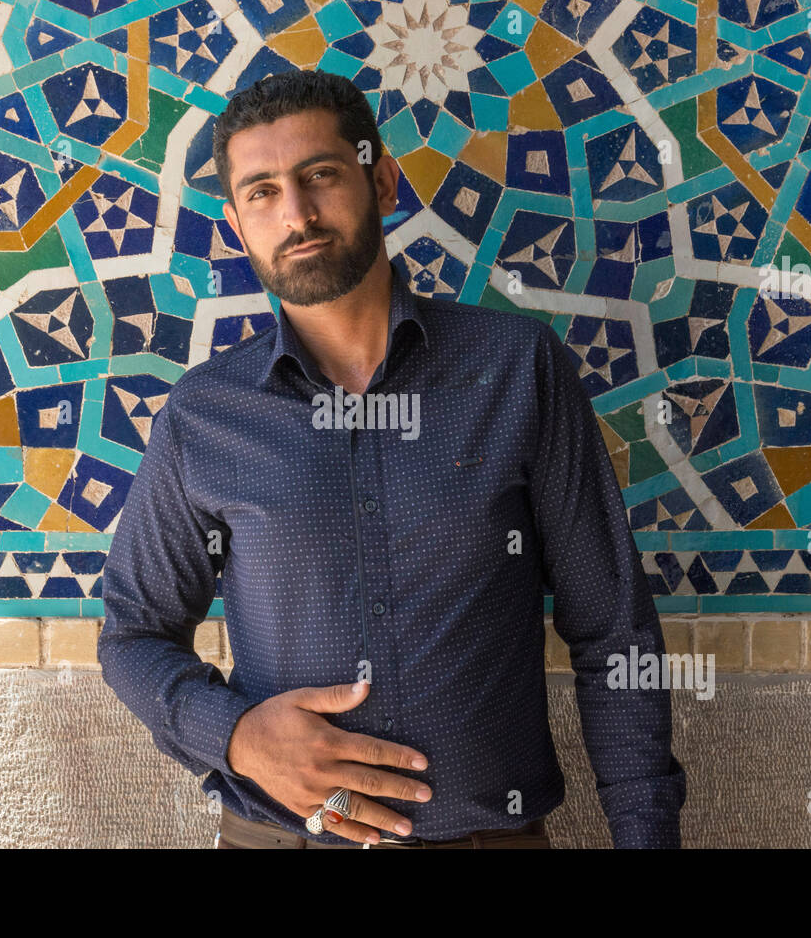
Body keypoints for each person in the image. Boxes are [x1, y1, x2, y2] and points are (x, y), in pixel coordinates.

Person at [99, 69, 687, 849]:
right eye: (263, 192)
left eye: (319, 176)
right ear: (238, 224)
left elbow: (615, 633)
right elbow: (131, 634)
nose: (298, 214)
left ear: (381, 177)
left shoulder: (518, 370)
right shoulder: (204, 416)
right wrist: (236, 734)